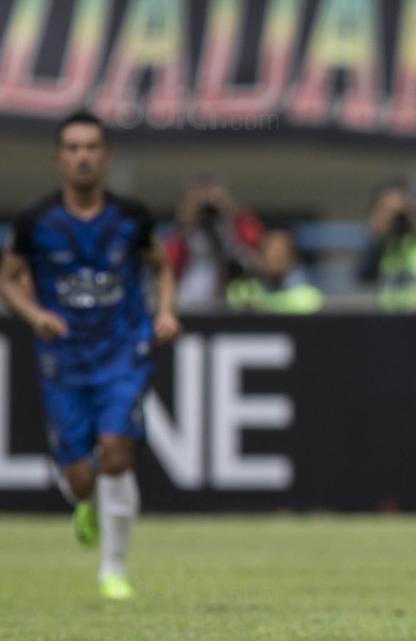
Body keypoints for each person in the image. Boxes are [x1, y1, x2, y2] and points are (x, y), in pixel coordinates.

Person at [0, 110, 181, 600]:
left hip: (122, 350)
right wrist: (33, 313)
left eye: (91, 147)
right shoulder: (36, 221)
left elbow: (162, 265)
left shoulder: (131, 217)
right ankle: (86, 501)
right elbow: (7, 278)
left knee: (117, 454)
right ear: (59, 158)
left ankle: (113, 571)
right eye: (73, 148)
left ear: (106, 156)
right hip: (63, 357)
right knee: (81, 477)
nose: (83, 156)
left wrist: (166, 311)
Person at [163, 175, 264, 307]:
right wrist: (188, 218)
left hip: (227, 301)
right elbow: (165, 266)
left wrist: (230, 214)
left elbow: (255, 262)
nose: (207, 209)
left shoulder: (232, 228)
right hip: (187, 301)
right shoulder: (181, 234)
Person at [357, 181, 416, 310]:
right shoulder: (379, 247)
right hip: (385, 316)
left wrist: (414, 218)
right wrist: (381, 228)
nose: (398, 219)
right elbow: (363, 276)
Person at [226, 229, 324, 314]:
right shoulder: (243, 289)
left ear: (292, 257)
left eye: (280, 252)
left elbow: (308, 302)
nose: (275, 258)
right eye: (270, 251)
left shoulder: (308, 294)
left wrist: (261, 304)